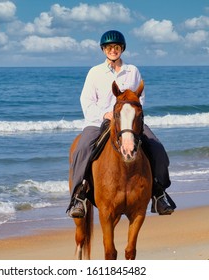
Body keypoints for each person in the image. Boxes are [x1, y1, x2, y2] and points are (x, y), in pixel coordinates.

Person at [67, 30, 176, 218]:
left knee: (158, 149)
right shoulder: (95, 72)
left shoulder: (132, 71)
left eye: (116, 47)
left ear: (122, 49)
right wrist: (105, 114)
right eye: (109, 47)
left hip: (129, 122)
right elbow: (86, 100)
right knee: (82, 148)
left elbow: (140, 99)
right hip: (100, 121)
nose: (113, 50)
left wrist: (131, 115)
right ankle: (79, 196)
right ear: (103, 50)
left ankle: (159, 192)